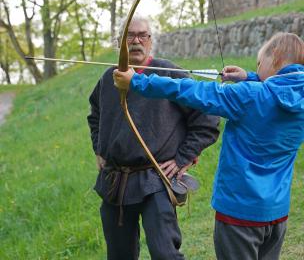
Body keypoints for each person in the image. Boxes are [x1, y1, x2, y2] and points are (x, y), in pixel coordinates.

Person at [113, 32, 304, 260]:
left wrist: (137, 81)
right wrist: (250, 77)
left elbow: (194, 92)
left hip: (239, 214)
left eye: (259, 63)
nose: (257, 67)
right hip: (277, 213)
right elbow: (277, 91)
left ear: (275, 58)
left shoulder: (249, 96)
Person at [87, 15, 220, 260]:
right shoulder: (108, 78)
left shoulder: (168, 73)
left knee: (164, 253)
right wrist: (99, 147)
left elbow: (207, 116)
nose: (136, 41)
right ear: (120, 42)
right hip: (115, 181)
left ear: (150, 41)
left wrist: (184, 157)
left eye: (142, 35)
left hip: (156, 179)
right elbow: (95, 115)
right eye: (129, 35)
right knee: (119, 255)